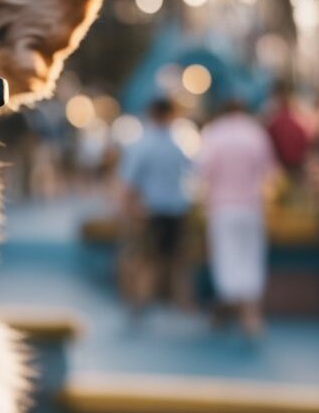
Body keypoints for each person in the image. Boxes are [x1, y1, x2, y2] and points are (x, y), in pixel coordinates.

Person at [197, 100, 276, 336]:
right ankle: (249, 315)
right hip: (251, 206)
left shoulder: (214, 134)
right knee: (251, 258)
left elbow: (203, 172)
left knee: (226, 258)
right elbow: (269, 173)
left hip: (222, 208)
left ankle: (232, 311)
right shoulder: (256, 134)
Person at [118, 98, 193, 312]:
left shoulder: (144, 144)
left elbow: (129, 182)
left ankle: (142, 302)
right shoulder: (176, 143)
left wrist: (127, 209)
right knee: (173, 260)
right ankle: (181, 303)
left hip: (153, 209)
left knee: (150, 260)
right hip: (172, 208)